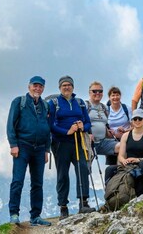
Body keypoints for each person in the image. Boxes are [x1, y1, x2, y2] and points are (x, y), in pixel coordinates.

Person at [7, 76, 52, 226]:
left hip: (39, 149)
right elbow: (10, 125)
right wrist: (13, 144)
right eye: (35, 86)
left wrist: (47, 149)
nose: (37, 89)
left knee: (37, 183)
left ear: (43, 88)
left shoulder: (45, 105)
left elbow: (47, 129)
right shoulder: (19, 102)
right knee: (17, 180)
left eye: (40, 86)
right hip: (22, 146)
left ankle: (35, 216)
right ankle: (14, 214)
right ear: (29, 86)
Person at [48, 76, 95, 218]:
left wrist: (82, 126)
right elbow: (50, 125)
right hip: (61, 143)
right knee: (63, 173)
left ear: (73, 87)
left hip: (78, 141)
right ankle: (63, 207)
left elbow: (87, 123)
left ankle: (83, 202)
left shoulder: (79, 103)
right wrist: (66, 131)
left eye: (69, 85)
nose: (66, 87)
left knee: (83, 168)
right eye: (64, 85)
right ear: (59, 88)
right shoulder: (54, 103)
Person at [105, 109, 143, 196]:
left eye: (140, 119)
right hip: (128, 165)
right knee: (109, 169)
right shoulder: (126, 136)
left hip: (141, 163)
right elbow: (121, 155)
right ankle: (110, 196)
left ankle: (140, 193)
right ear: (132, 121)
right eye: (135, 119)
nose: (137, 121)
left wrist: (137, 159)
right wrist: (124, 161)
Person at [87, 82, 120, 157]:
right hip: (88, 142)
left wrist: (110, 133)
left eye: (100, 91)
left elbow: (104, 125)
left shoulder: (104, 108)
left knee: (122, 146)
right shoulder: (85, 105)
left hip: (102, 142)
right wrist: (86, 134)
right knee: (87, 165)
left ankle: (120, 168)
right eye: (94, 91)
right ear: (89, 92)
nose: (98, 93)